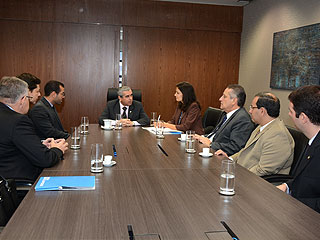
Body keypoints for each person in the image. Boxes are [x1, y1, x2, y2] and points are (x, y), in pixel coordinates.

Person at [0, 76, 68, 181]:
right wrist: (57, 149)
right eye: (28, 97)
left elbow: (10, 145)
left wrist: (39, 145)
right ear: (22, 100)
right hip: (21, 182)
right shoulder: (18, 121)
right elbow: (45, 160)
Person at [216, 92, 294, 176]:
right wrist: (229, 159)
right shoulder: (261, 126)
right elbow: (245, 151)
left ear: (262, 111)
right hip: (243, 173)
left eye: (252, 108)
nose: (250, 111)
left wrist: (236, 174)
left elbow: (263, 170)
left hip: (257, 183)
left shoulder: (279, 135)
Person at [277, 85, 320, 213]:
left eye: (291, 111)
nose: (289, 114)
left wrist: (293, 202)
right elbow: (303, 179)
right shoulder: (311, 140)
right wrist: (286, 186)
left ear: (303, 117)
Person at [194, 84, 254, 155]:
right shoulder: (225, 114)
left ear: (234, 101)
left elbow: (235, 147)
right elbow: (215, 135)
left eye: (224, 96)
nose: (220, 99)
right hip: (210, 150)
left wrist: (210, 144)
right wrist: (201, 137)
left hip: (219, 156)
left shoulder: (242, 119)